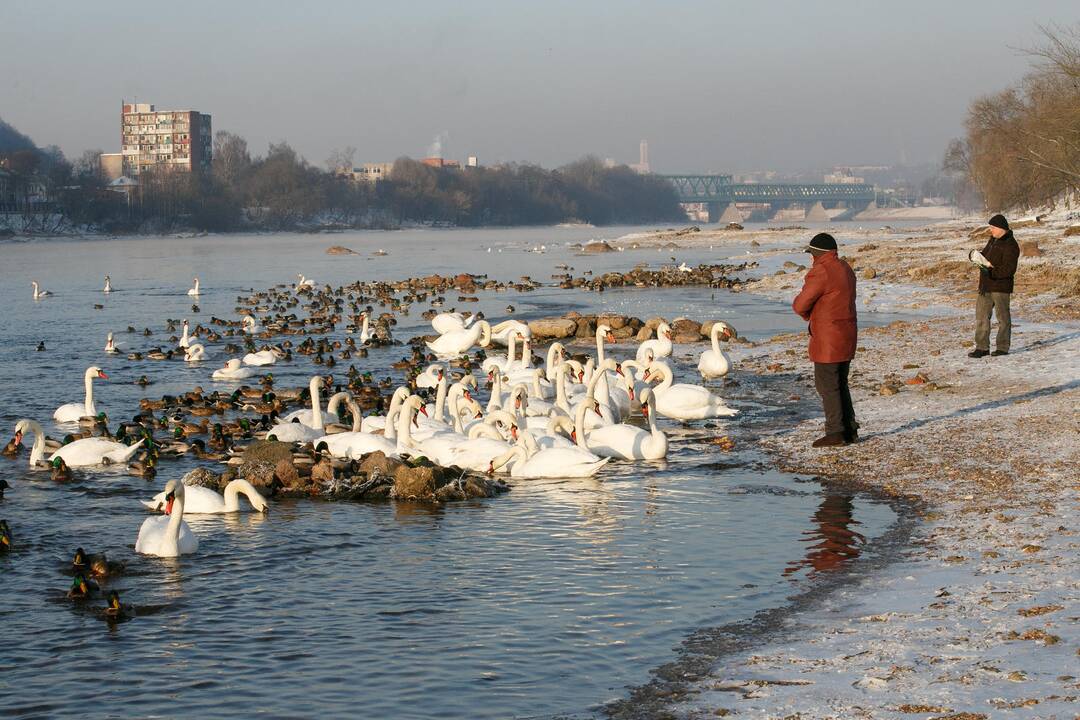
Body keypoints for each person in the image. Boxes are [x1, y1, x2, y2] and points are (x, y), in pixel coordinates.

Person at [792, 233, 858, 447]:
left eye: (811, 254)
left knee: (827, 385)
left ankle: (835, 432)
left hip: (828, 338)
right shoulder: (845, 268)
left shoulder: (821, 271)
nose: (811, 258)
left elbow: (801, 304)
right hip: (847, 333)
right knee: (841, 382)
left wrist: (808, 316)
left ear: (817, 253)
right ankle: (849, 430)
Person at [969, 214, 1019, 358]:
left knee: (1003, 318)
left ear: (1001, 228)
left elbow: (1009, 269)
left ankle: (1003, 347)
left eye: (992, 228)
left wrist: (991, 270)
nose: (990, 230)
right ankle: (982, 347)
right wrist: (975, 257)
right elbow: (984, 256)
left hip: (1001, 287)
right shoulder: (992, 240)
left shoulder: (1011, 244)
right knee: (981, 317)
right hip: (985, 286)